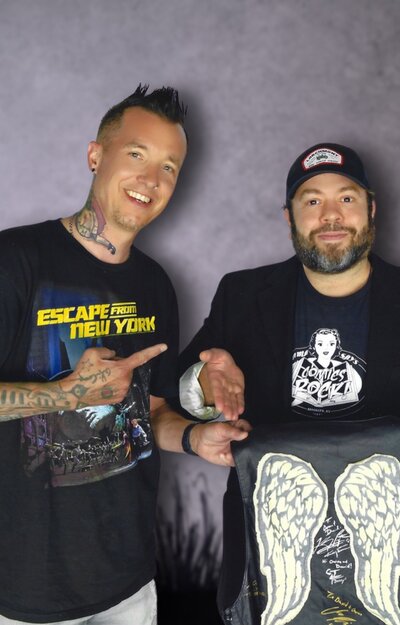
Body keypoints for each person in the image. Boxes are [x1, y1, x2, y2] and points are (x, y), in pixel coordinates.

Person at [178, 143, 400, 623]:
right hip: (273, 557)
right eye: (312, 201)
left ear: (371, 209)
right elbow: (183, 390)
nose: (331, 215)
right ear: (289, 216)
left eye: (346, 198)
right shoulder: (242, 296)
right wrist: (205, 379)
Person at [0, 85, 248, 625]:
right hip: (22, 591)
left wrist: (194, 437)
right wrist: (66, 395)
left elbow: (149, 413)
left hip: (128, 585)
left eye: (169, 167)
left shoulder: (155, 284)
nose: (151, 179)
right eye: (137, 154)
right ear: (96, 156)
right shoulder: (14, 260)